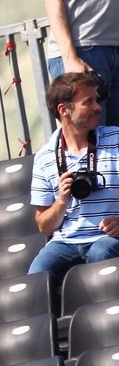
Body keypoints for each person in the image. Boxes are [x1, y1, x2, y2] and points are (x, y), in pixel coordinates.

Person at [27, 72, 119, 286]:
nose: (98, 107)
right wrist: (61, 201)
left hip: (108, 240)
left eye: (97, 99)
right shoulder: (45, 157)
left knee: (101, 251)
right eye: (89, 102)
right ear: (64, 110)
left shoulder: (116, 139)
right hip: (65, 243)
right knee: (36, 278)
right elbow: (44, 226)